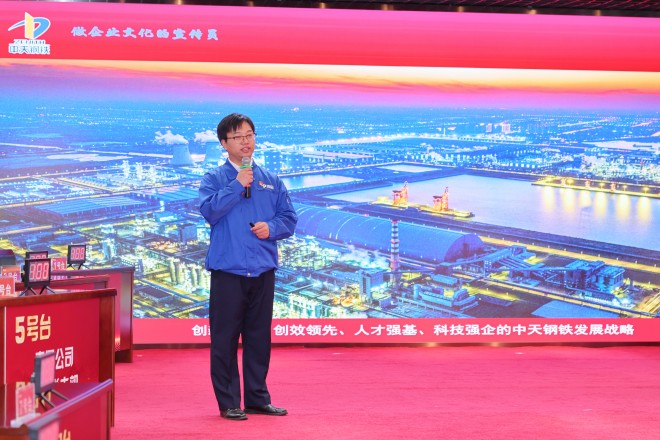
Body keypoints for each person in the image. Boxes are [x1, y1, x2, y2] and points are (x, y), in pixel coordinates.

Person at [198, 113, 298, 421]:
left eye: (249, 135)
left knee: (258, 339)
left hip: (262, 269)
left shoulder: (271, 179)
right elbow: (209, 211)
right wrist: (237, 184)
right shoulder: (214, 178)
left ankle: (257, 398)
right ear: (224, 143)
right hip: (228, 270)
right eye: (238, 136)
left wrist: (272, 228)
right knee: (225, 340)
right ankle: (229, 402)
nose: (245, 141)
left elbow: (289, 218)